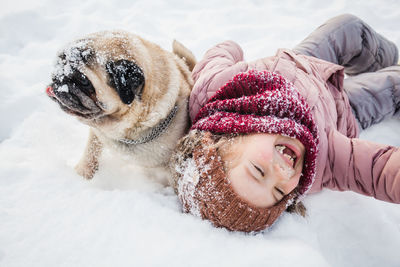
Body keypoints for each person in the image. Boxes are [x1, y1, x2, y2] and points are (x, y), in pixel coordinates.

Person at [170, 14, 400, 233]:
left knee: (350, 28)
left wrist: (229, 49)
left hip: (301, 63)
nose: (282, 174)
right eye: (279, 191)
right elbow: (380, 170)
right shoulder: (322, 157)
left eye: (259, 171)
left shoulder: (214, 90)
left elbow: (219, 55)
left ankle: (386, 58)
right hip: (345, 107)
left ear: (227, 140)